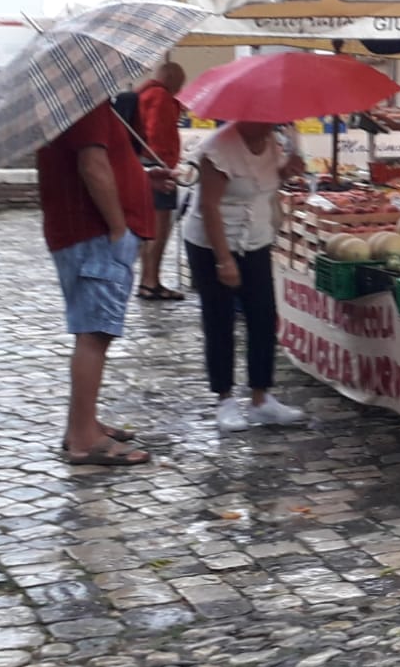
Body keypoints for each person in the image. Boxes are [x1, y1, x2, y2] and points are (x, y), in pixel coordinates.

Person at [38, 100, 156, 465]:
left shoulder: (79, 104)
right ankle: (83, 439)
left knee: (93, 334)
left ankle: (82, 423)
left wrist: (144, 178)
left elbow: (105, 165)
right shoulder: (82, 103)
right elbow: (93, 166)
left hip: (88, 236)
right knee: (94, 334)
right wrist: (118, 228)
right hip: (95, 237)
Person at [184, 119, 308, 432]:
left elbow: (263, 184)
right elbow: (208, 206)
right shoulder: (218, 148)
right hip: (213, 241)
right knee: (220, 318)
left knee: (263, 316)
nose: (273, 121)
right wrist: (223, 260)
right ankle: (224, 398)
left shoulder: (271, 143)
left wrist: (285, 170)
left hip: (255, 239)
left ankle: (260, 397)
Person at [134, 62, 186, 300]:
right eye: (179, 84)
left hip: (144, 165)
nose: (180, 89)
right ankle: (151, 281)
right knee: (159, 229)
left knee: (148, 229)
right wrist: (166, 166)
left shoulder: (145, 93)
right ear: (172, 79)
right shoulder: (161, 97)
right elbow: (157, 134)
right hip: (158, 168)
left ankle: (147, 279)